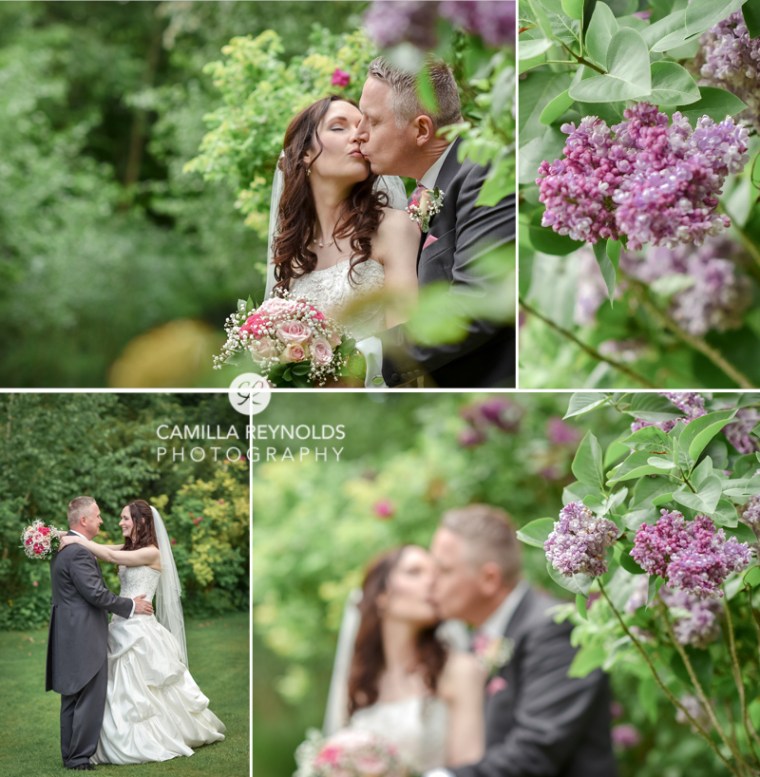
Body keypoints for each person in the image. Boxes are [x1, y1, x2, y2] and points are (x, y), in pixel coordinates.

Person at [354, 58, 516, 388]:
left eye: (373, 121)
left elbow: (475, 305)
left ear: (422, 130)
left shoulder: (486, 173)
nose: (359, 134)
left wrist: (366, 357)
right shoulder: (428, 190)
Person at [427, 505, 618, 777]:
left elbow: (537, 750)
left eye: (443, 570)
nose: (431, 582)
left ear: (489, 579)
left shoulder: (554, 629)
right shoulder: (479, 638)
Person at [58, 498, 225, 765]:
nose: (120, 522)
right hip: (121, 622)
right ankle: (105, 738)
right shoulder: (130, 548)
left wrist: (75, 541)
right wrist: (66, 536)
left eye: (125, 518)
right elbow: (102, 548)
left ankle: (157, 735)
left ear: (142, 521)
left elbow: (110, 556)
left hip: (140, 625)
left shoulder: (151, 553)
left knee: (147, 686)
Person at [269, 95, 420, 341]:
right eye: (338, 127)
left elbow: (407, 341)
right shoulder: (293, 252)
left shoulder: (393, 228)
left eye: (362, 126)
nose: (358, 135)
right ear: (305, 153)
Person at [328, 546, 485, 773]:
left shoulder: (459, 671)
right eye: (414, 572)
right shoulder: (360, 681)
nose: (432, 582)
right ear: (381, 595)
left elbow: (469, 769)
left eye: (436, 574)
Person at [46, 496, 154, 771]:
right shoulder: (78, 551)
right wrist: (131, 605)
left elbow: (113, 553)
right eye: (97, 516)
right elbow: (96, 594)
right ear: (84, 520)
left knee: (72, 696)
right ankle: (79, 758)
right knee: (88, 697)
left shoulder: (65, 546)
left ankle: (71, 755)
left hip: (68, 629)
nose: (102, 520)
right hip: (83, 632)